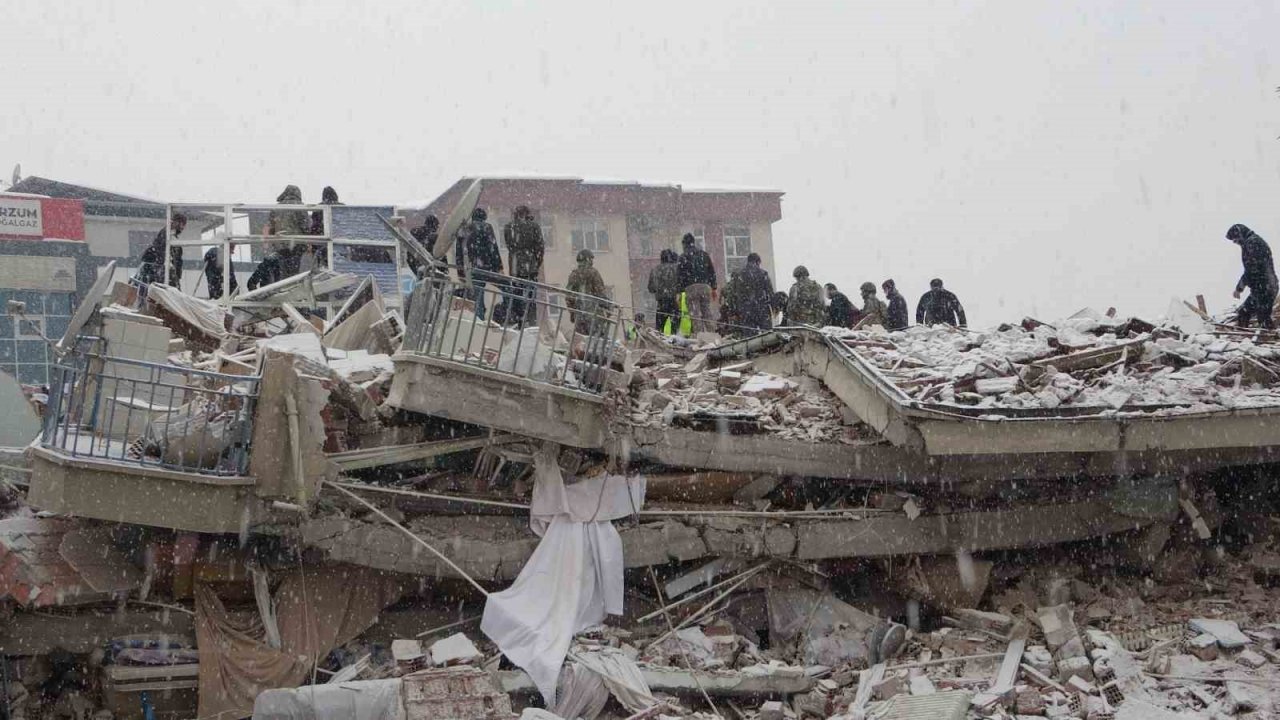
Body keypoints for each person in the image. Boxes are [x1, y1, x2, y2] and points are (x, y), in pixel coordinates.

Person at [1228, 223, 1278, 329]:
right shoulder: (1252, 242)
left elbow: (1251, 270)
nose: (1235, 242)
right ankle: (1247, 340)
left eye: (1235, 239)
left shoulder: (1253, 243)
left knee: (1260, 317)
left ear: (1240, 235)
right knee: (1246, 313)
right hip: (1265, 286)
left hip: (1264, 287)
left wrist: (1239, 288)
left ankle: (1266, 340)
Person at [503, 206, 545, 326]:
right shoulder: (534, 226)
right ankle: (531, 321)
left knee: (517, 293)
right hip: (530, 266)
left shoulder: (509, 227)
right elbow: (540, 247)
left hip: (515, 266)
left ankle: (518, 319)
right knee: (531, 296)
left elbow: (509, 245)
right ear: (527, 214)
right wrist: (536, 263)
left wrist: (516, 256)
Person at [460, 207, 502, 320]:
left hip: (473, 266)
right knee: (506, 288)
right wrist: (498, 266)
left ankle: (478, 318)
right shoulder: (487, 227)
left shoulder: (466, 229)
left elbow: (460, 251)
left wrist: (461, 271)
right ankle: (507, 313)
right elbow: (493, 247)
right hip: (488, 267)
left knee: (478, 293)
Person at [677, 233, 718, 333]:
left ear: (684, 244)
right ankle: (712, 334)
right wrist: (714, 287)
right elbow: (711, 271)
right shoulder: (704, 254)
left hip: (691, 288)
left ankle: (699, 337)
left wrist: (679, 292)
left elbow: (680, 276)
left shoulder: (683, 257)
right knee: (707, 312)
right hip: (705, 287)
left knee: (695, 315)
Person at [137, 213, 187, 288]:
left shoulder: (170, 235)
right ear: (176, 222)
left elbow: (176, 258)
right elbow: (162, 253)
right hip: (161, 271)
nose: (183, 227)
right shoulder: (167, 235)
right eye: (182, 224)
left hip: (161, 270)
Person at [566, 249, 608, 335]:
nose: (592, 261)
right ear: (588, 259)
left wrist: (572, 313)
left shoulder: (573, 275)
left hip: (579, 316)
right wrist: (607, 306)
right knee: (596, 342)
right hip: (593, 315)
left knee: (582, 342)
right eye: (591, 259)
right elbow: (600, 293)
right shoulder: (593, 273)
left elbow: (569, 296)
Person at [735, 253, 774, 333]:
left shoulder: (740, 275)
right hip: (762, 309)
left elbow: (738, 294)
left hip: (747, 310)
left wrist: (738, 310)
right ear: (758, 262)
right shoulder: (763, 274)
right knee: (768, 336)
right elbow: (770, 292)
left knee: (750, 339)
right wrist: (772, 306)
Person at [648, 249, 682, 333]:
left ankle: (660, 344)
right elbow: (681, 284)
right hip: (674, 302)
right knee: (675, 329)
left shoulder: (655, 270)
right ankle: (674, 343)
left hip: (661, 303)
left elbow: (651, 288)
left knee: (659, 330)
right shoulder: (676, 268)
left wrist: (659, 290)